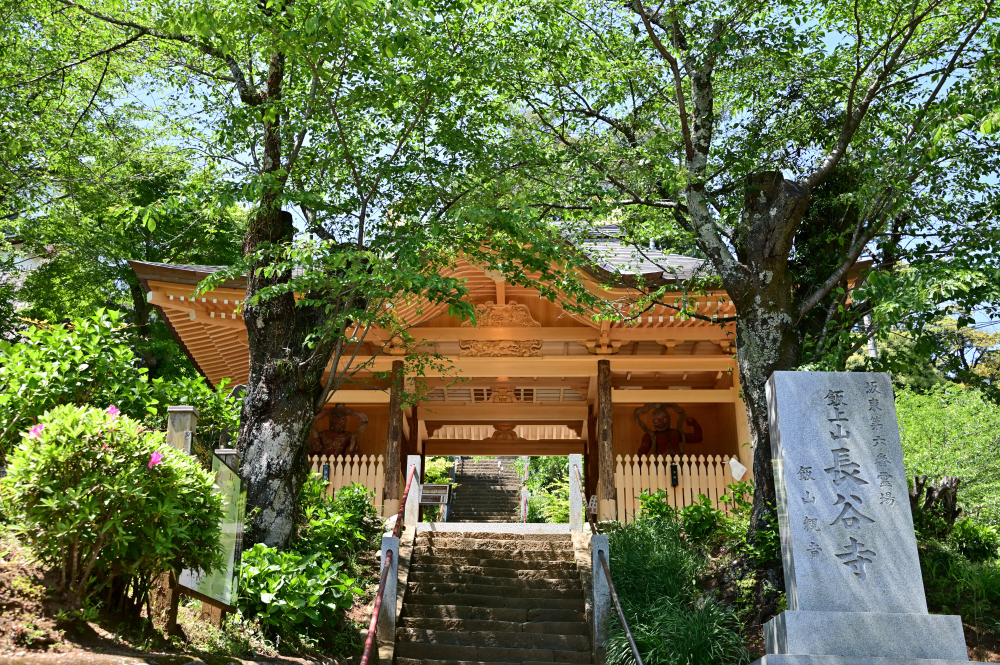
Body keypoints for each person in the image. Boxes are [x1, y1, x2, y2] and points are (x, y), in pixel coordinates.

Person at [633, 403, 702, 456]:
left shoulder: (676, 433)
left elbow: (697, 438)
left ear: (669, 418)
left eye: (664, 419)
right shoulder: (650, 436)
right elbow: (641, 453)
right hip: (661, 465)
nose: (660, 423)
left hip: (678, 463)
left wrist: (694, 423)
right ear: (652, 421)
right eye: (656, 421)